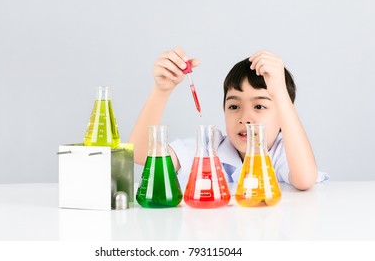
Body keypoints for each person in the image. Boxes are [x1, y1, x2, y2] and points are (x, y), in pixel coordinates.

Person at [129, 47, 328, 191]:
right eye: (234, 106)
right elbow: (140, 155)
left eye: (259, 106)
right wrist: (161, 91)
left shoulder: (283, 153)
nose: (245, 118)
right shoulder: (211, 149)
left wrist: (280, 93)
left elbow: (304, 180)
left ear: (284, 114)